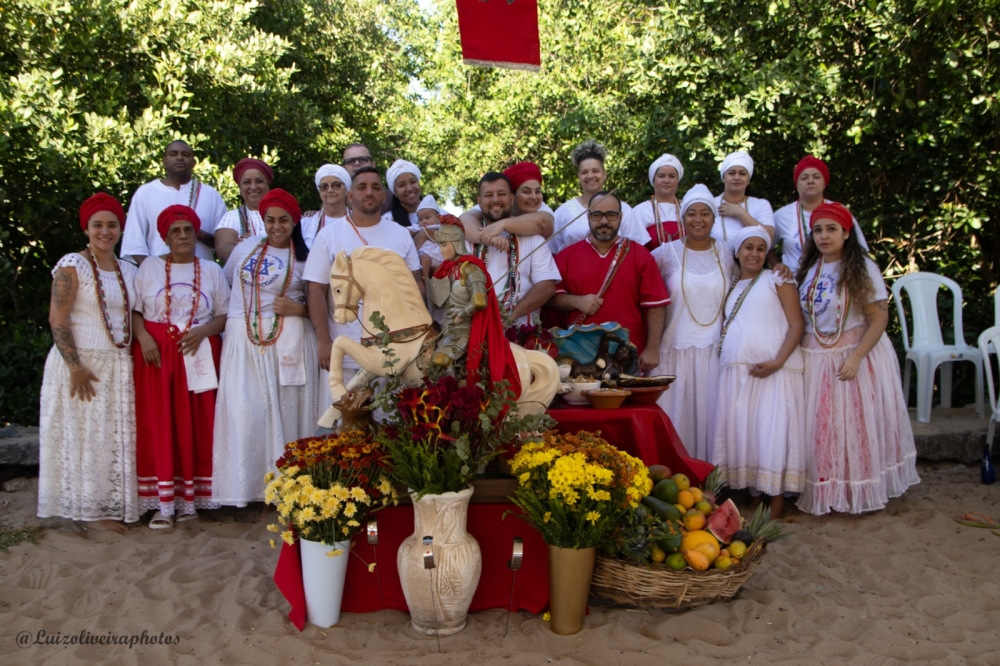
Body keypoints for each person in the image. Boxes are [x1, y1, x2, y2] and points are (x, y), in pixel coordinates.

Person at [795, 203, 919, 515]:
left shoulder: (864, 269)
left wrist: (856, 358)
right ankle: (827, 488)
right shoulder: (809, 269)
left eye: (831, 229)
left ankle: (855, 491)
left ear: (847, 233)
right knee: (823, 430)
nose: (824, 236)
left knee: (853, 426)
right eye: (818, 230)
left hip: (853, 355)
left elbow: (879, 318)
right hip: (815, 357)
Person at [37, 194, 139, 533]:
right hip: (83, 364)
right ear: (86, 229)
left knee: (107, 439)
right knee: (85, 437)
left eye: (112, 225)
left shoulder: (128, 269)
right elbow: (57, 319)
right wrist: (75, 367)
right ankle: (89, 513)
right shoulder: (73, 265)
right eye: (98, 225)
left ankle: (104, 505)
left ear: (121, 229)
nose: (105, 231)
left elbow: (132, 316)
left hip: (117, 365)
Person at [212, 189, 319, 507]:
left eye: (283, 220)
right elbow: (232, 283)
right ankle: (251, 491)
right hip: (243, 340)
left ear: (294, 221)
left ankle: (286, 491)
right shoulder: (245, 247)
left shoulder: (305, 257)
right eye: (270, 219)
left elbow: (320, 305)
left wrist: (297, 309)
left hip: (288, 340)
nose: (276, 226)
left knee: (285, 411)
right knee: (247, 412)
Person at [131, 205, 230, 528]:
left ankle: (191, 502)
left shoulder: (212, 270)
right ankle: (163, 503)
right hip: (157, 355)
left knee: (198, 423)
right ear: (165, 236)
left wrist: (203, 330)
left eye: (188, 230)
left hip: (199, 352)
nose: (183, 236)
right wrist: (144, 337)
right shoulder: (148, 267)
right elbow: (134, 310)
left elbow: (225, 315)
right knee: (160, 423)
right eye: (176, 231)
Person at [303, 166, 420, 422]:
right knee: (344, 431)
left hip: (394, 354)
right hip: (345, 350)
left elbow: (416, 287)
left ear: (384, 196)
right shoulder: (329, 236)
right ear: (350, 196)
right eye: (362, 187)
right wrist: (324, 340)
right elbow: (315, 289)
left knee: (391, 429)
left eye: (376, 187)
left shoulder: (400, 234)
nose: (370, 192)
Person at [712, 227, 806, 520]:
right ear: (737, 252)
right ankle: (754, 494)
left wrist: (778, 361)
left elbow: (796, 324)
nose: (754, 253)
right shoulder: (732, 286)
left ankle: (776, 501)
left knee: (772, 433)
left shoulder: (777, 277)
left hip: (774, 371)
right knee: (748, 435)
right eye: (748, 248)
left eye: (760, 249)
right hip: (740, 374)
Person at [651, 184, 735, 462]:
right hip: (672, 351)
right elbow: (645, 297)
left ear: (714, 218)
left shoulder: (728, 253)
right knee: (675, 421)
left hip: (714, 352)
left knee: (712, 420)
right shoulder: (663, 254)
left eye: (705, 213)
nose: (698, 219)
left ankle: (711, 484)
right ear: (682, 218)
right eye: (691, 214)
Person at [547, 191, 669, 372]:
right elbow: (550, 298)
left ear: (620, 217)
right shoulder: (566, 256)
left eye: (611, 215)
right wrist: (577, 301)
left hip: (628, 355)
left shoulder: (640, 256)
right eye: (597, 215)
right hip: (580, 357)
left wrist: (652, 349)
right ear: (588, 217)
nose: (604, 221)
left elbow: (655, 305)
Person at [429, 217, 521, 395]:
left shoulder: (471, 268)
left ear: (455, 243)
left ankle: (450, 401)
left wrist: (461, 315)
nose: (440, 250)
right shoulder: (448, 269)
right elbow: (440, 302)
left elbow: (479, 301)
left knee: (440, 360)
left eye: (443, 245)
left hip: (464, 329)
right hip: (446, 328)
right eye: (439, 245)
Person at [464, 172, 560, 326]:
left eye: (501, 194)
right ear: (479, 202)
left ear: (511, 199)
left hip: (519, 333)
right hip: (473, 331)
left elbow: (547, 287)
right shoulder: (466, 237)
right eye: (489, 195)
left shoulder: (533, 237)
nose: (496, 200)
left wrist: (510, 318)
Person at [120, 140, 227, 264]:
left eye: (185, 154)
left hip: (202, 277)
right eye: (173, 154)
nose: (180, 158)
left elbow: (223, 244)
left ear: (193, 163)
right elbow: (134, 244)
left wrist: (196, 233)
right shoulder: (145, 193)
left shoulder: (211, 195)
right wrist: (153, 272)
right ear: (164, 161)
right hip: (159, 278)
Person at [771, 156, 870, 273]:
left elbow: (860, 250)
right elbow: (766, 246)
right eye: (804, 178)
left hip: (833, 281)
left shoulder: (839, 211)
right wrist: (778, 266)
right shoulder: (781, 216)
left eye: (816, 177)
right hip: (793, 284)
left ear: (825, 183)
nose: (810, 181)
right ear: (796, 184)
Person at [549, 140, 650, 254]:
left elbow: (638, 250)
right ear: (578, 176)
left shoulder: (623, 209)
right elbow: (552, 252)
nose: (590, 176)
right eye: (584, 172)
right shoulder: (563, 212)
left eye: (595, 171)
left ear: (604, 174)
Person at [460, 161, 555, 247]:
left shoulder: (541, 207)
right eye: (526, 192)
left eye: (537, 191)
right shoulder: (496, 203)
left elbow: (543, 223)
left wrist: (503, 224)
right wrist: (488, 238)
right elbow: (464, 220)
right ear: (512, 196)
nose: (534, 197)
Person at [214, 157, 274, 262]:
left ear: (267, 185)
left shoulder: (283, 214)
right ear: (240, 187)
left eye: (259, 181)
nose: (253, 187)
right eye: (247, 182)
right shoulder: (232, 217)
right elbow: (223, 249)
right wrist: (243, 248)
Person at [710, 151, 775, 244]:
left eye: (742, 173)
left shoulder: (761, 205)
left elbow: (769, 237)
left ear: (748, 179)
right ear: (723, 177)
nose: (737, 177)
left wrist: (740, 213)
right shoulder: (710, 204)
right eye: (731, 173)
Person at [634, 154, 685, 251]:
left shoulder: (688, 208)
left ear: (678, 180)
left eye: (672, 176)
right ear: (653, 180)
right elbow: (635, 250)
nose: (666, 180)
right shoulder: (640, 211)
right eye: (661, 176)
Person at [300, 164, 351, 249]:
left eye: (336, 185)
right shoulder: (306, 223)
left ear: (346, 190)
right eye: (324, 186)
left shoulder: (359, 222)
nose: (330, 190)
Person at [384, 159, 423, 231]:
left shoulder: (440, 215)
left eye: (413, 182)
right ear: (395, 192)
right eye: (402, 185)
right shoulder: (387, 221)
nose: (409, 188)